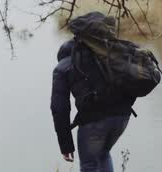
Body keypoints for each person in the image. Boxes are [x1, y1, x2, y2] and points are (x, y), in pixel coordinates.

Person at [50, 13, 136, 172]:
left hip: (94, 122)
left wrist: (65, 145)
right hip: (122, 116)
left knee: (89, 165)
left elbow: (59, 108)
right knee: (103, 154)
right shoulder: (107, 54)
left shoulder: (63, 67)